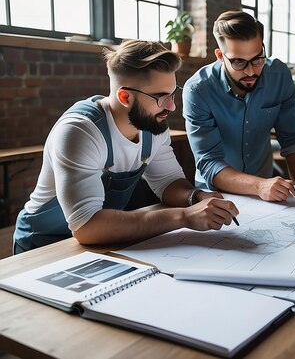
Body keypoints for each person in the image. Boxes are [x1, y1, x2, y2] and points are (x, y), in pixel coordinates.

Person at [14, 40, 239, 254]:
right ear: (124, 96)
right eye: (160, 97)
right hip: (43, 244)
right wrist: (185, 216)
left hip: (101, 241)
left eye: (172, 94)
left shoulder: (153, 124)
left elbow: (169, 182)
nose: (171, 106)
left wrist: (197, 197)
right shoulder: (79, 132)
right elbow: (87, 226)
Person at [183, 10, 295, 202]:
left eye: (257, 58)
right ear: (220, 56)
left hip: (268, 193)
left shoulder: (279, 76)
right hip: (216, 195)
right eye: (239, 61)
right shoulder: (198, 90)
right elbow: (209, 162)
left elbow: (291, 138)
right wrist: (258, 186)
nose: (251, 71)